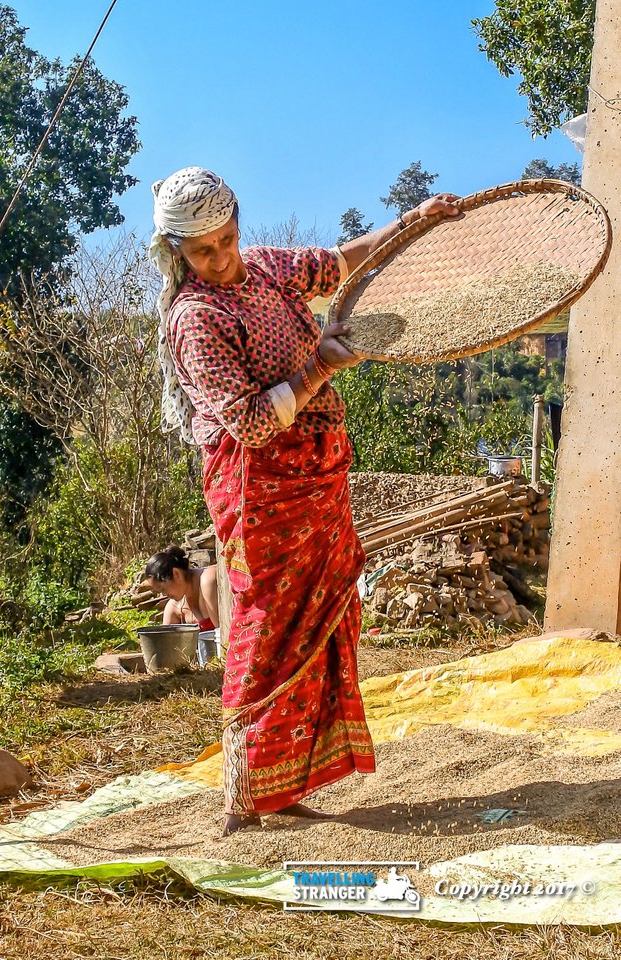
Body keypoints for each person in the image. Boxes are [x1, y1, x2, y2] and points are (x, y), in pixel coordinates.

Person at [150, 166, 459, 836]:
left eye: (226, 238)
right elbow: (252, 424)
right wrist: (321, 365)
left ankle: (284, 789)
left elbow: (338, 262)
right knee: (266, 630)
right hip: (259, 487)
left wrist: (412, 223)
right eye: (202, 250)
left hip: (318, 470)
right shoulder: (196, 318)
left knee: (319, 625)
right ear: (177, 251)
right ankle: (243, 799)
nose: (220, 256)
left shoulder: (266, 268)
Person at [145, 545, 218, 630]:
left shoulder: (207, 581)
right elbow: (165, 641)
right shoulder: (174, 606)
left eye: (163, 589)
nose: (164, 594)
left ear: (176, 574)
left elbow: (222, 634)